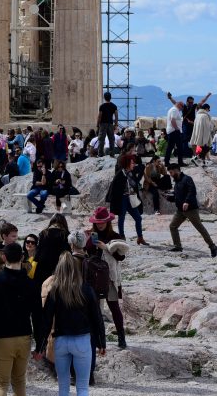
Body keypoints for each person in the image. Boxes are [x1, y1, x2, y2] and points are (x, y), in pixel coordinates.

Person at [0, 242, 41, 396]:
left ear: (3, 257)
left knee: (1, 384)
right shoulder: (31, 284)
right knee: (19, 382)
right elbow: (38, 314)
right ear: (23, 257)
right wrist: (40, 344)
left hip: (1, 338)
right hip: (24, 337)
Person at [38, 253, 105, 396]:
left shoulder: (54, 290)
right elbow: (97, 318)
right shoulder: (86, 289)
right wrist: (101, 343)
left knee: (63, 388)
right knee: (82, 387)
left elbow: (46, 320)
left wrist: (40, 345)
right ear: (76, 269)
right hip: (82, 340)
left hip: (61, 340)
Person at [85, 207, 129, 348]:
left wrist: (106, 247)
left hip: (110, 277)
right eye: (97, 222)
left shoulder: (115, 237)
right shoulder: (92, 236)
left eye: (102, 222)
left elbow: (121, 257)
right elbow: (88, 254)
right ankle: (97, 338)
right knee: (94, 308)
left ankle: (121, 338)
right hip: (94, 277)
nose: (100, 224)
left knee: (114, 307)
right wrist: (87, 241)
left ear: (108, 222)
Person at [165, 163, 217, 257]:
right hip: (180, 210)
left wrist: (187, 202)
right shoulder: (177, 181)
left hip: (191, 210)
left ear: (176, 170)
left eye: (171, 172)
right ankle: (178, 246)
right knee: (173, 226)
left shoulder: (187, 179)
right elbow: (178, 195)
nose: (170, 174)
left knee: (200, 228)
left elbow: (192, 191)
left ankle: (212, 246)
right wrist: (170, 198)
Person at [106, 154, 147, 246]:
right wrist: (114, 201)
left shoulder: (131, 173)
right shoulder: (120, 174)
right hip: (122, 199)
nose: (134, 164)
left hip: (130, 198)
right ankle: (122, 236)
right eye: (132, 163)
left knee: (138, 218)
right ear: (127, 163)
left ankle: (140, 237)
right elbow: (113, 189)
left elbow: (136, 182)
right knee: (122, 218)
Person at [33, 213, 71, 289]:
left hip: (42, 268)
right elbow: (68, 253)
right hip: (59, 269)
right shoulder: (66, 234)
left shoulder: (43, 233)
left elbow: (38, 253)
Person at [164, 100, 186, 167]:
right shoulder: (174, 110)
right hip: (174, 131)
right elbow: (172, 120)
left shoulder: (173, 109)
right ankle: (180, 162)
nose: (182, 108)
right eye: (182, 107)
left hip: (172, 131)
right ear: (179, 105)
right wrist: (177, 129)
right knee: (179, 147)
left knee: (170, 147)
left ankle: (167, 162)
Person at [96, 93, 118, 157]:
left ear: (104, 97)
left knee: (101, 139)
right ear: (110, 97)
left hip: (103, 124)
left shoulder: (102, 106)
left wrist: (97, 125)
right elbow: (116, 116)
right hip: (110, 124)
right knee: (111, 139)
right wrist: (116, 124)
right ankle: (112, 153)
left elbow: (99, 116)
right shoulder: (114, 106)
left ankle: (100, 154)